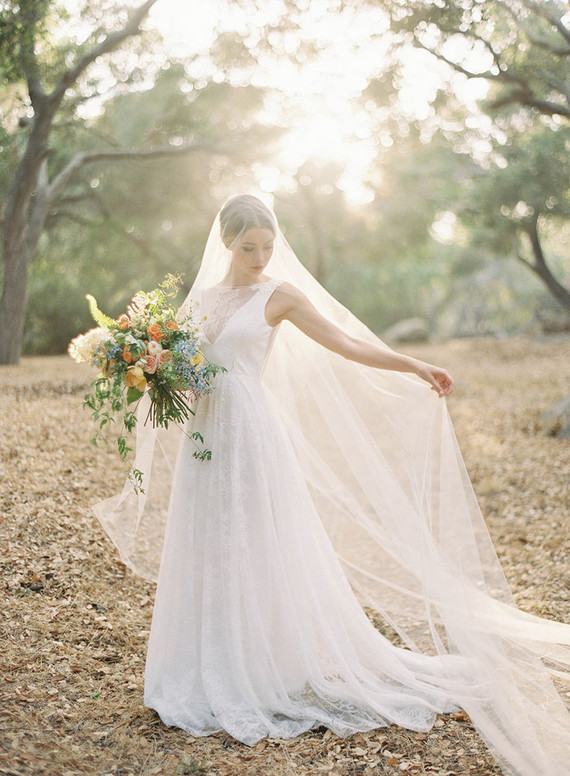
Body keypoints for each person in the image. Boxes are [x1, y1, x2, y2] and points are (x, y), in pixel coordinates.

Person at [93, 194, 570, 776]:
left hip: (250, 431)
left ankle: (265, 663)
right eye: (249, 249)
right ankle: (206, 660)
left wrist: (411, 364)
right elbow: (187, 370)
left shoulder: (281, 295)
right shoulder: (199, 301)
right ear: (226, 244)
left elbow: (345, 342)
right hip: (206, 437)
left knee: (257, 540)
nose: (261, 258)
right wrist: (147, 370)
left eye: (268, 247)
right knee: (208, 541)